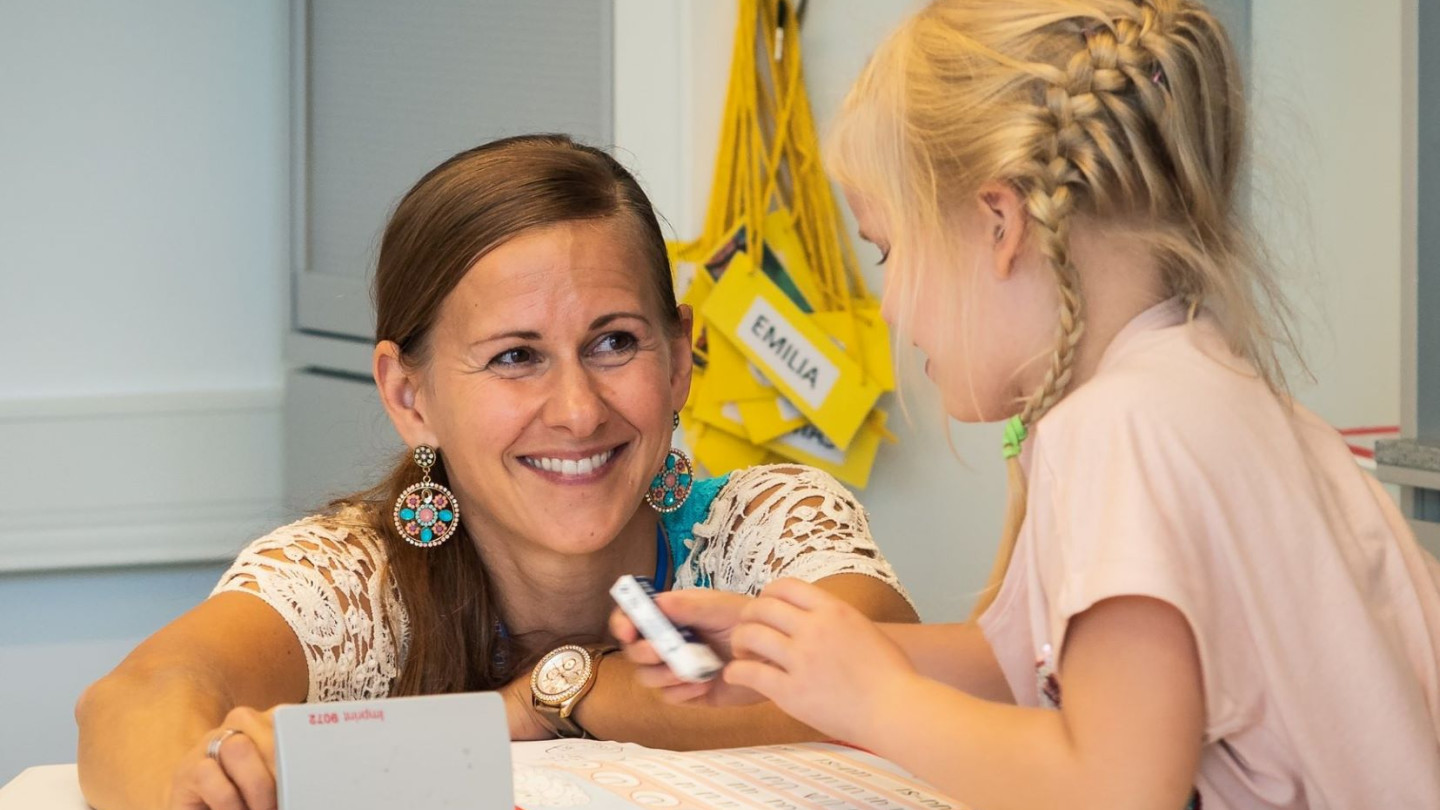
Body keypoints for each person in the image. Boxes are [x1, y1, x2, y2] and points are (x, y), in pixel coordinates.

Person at [614, 2, 1440, 808]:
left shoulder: (1121, 428)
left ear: (1000, 224)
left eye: (889, 250)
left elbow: (1116, 786)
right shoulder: (1192, 390)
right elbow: (1015, 665)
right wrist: (791, 659)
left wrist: (876, 702)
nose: (891, 308)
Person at [74, 134, 918, 810]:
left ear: (681, 360)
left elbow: (883, 678)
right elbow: (134, 700)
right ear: (410, 397)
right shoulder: (350, 584)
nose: (579, 411)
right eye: (517, 357)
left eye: (615, 342)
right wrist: (202, 784)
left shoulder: (769, 523)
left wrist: (564, 694)